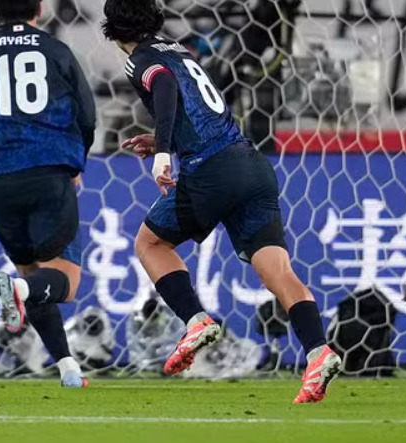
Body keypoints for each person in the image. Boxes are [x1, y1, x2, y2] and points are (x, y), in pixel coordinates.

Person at [101, 0, 340, 403]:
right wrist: (165, 139)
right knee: (277, 270)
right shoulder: (178, 49)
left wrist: (163, 152)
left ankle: (196, 321)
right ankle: (318, 351)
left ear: (111, 26)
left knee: (150, 244)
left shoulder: (139, 59)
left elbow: (165, 86)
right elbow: (198, 108)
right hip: (251, 164)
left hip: (213, 171)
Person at [0, 0, 96, 388]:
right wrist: (77, 162)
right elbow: (87, 114)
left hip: (1, 179)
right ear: (39, 8)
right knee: (65, 283)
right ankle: (18, 291)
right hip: (49, 171)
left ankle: (68, 368)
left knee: (32, 273)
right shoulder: (56, 49)